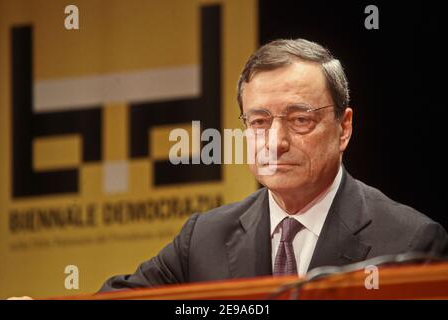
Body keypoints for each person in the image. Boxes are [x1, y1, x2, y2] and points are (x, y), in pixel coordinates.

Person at [98, 39, 448, 292]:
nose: (276, 142)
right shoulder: (204, 238)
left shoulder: (410, 242)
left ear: (344, 128)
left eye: (299, 120)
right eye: (259, 122)